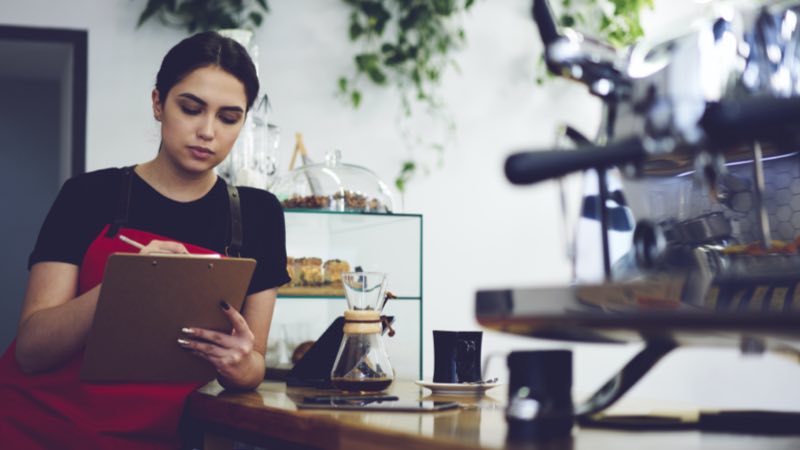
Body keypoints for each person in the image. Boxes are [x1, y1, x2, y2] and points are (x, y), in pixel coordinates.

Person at [0, 31, 290, 449]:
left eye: (229, 118)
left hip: (158, 437)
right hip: (41, 427)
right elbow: (31, 351)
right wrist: (124, 284)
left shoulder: (259, 214)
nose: (207, 131)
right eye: (191, 109)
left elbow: (252, 365)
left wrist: (241, 365)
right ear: (158, 104)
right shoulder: (87, 195)